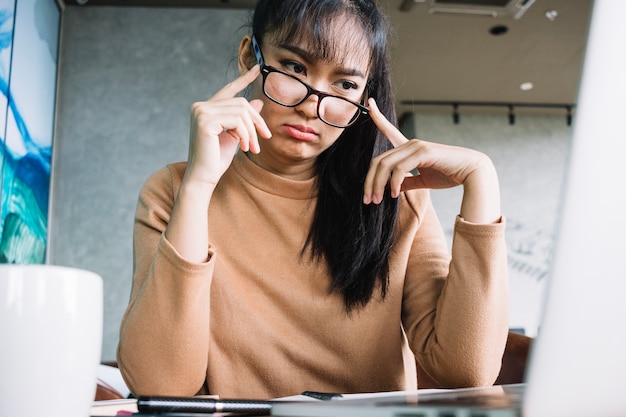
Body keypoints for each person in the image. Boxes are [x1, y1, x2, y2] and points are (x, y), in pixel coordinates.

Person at [117, 0, 509, 400]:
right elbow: (160, 386)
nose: (312, 104)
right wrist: (199, 186)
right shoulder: (174, 190)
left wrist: (481, 179)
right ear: (248, 55)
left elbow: (468, 369)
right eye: (294, 68)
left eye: (345, 85)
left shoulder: (397, 198)